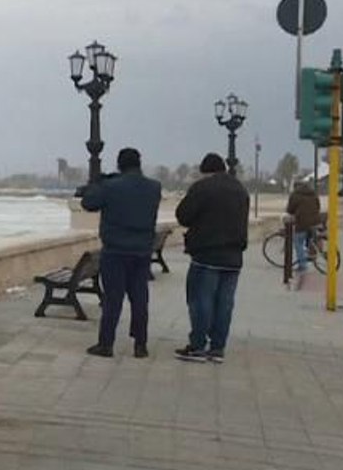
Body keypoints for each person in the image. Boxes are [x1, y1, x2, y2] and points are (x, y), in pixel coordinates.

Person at [80, 147, 162, 358]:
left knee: (113, 299)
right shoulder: (154, 187)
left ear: (119, 164)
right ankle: (140, 344)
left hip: (115, 251)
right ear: (139, 163)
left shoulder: (110, 187)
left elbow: (88, 203)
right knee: (140, 298)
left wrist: (97, 183)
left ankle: (106, 344)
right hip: (142, 251)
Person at [174, 153, 250, 363]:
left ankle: (198, 346)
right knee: (225, 303)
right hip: (234, 256)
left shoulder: (203, 188)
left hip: (207, 254)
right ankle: (217, 348)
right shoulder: (240, 189)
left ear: (205, 171)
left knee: (201, 300)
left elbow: (183, 216)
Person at [285, 181, 322, 288]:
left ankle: (303, 265)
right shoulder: (313, 194)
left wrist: (292, 214)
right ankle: (310, 255)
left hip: (302, 223)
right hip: (315, 222)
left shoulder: (295, 195)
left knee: (298, 242)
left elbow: (290, 209)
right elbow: (318, 207)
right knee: (309, 239)